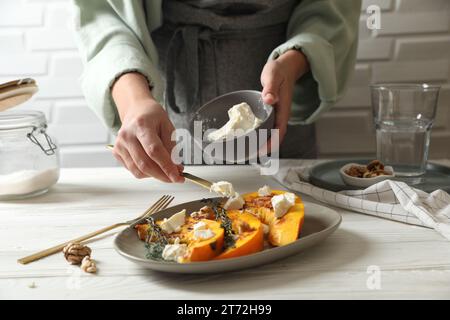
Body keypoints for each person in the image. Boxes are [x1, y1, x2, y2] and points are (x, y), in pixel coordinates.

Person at [72, 0, 361, 183]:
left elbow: (333, 9)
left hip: (287, 99)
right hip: (170, 108)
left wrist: (293, 61)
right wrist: (134, 101)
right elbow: (102, 13)